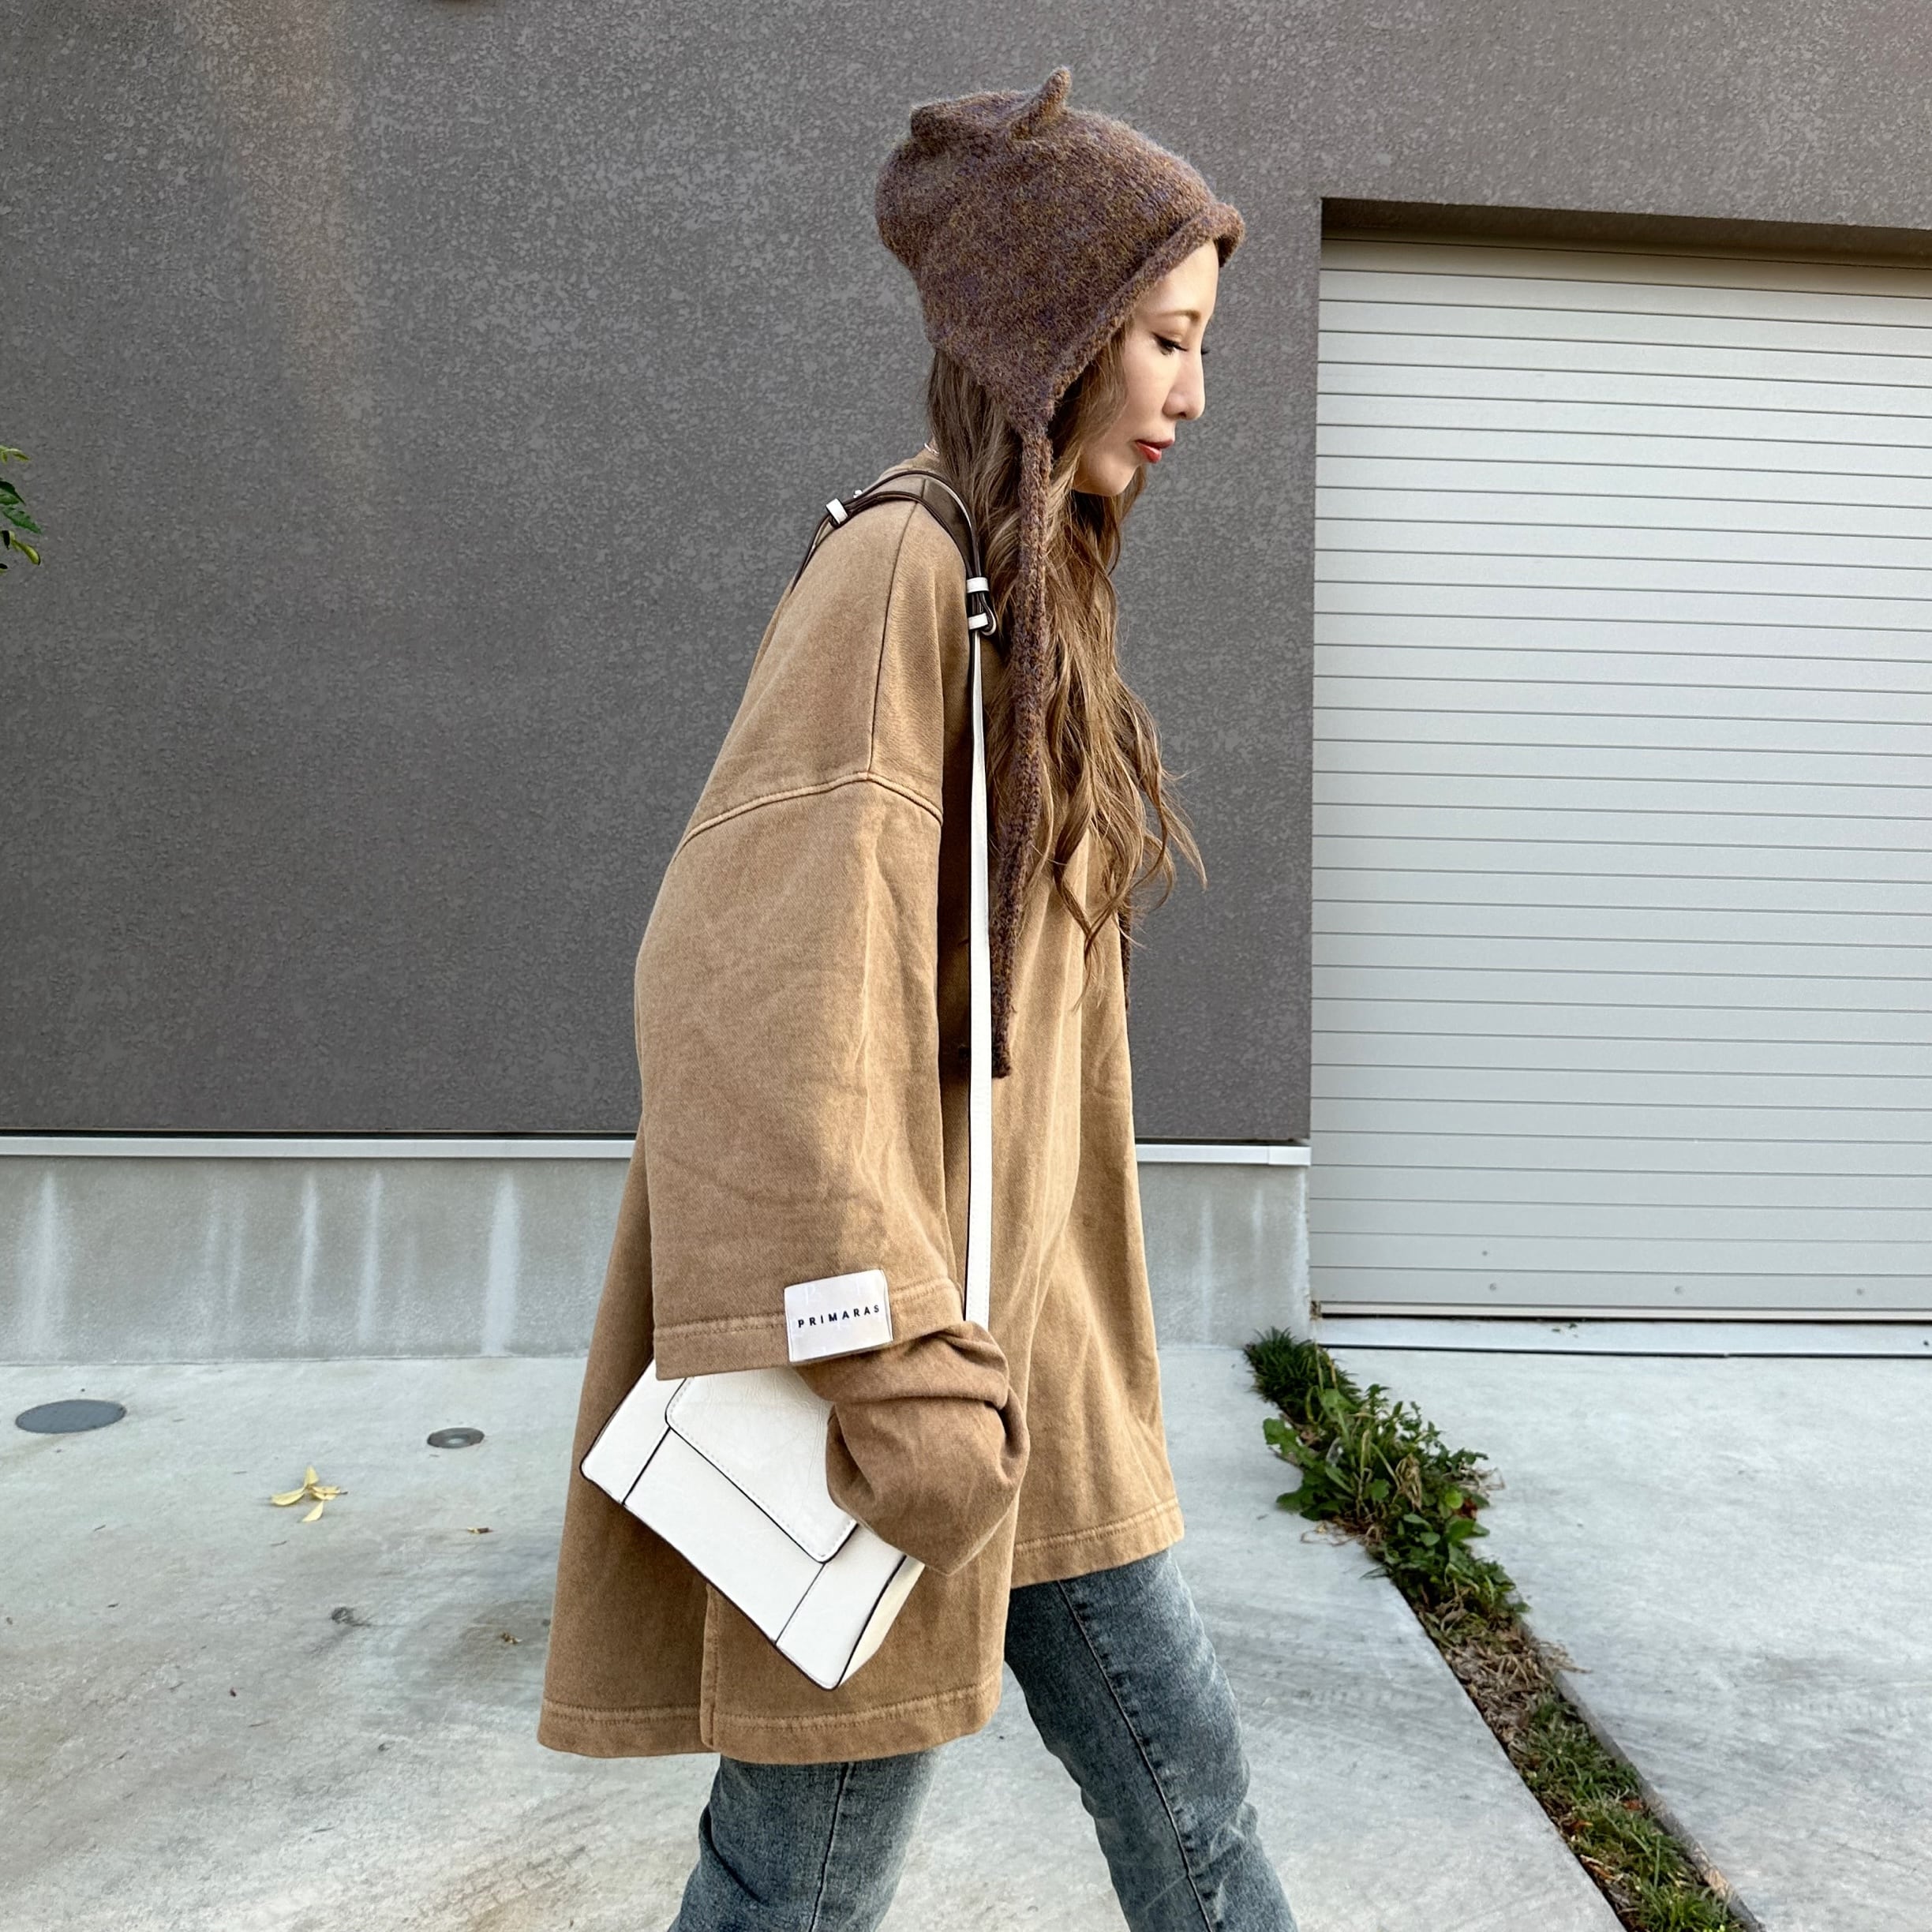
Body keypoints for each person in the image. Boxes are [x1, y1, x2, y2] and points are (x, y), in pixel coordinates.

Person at [538, 65, 1297, 1932]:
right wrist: (883, 1360)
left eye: (1200, 345)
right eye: (1167, 341)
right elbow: (747, 990)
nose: (1195, 394)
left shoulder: (1034, 590)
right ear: (1057, 335)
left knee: (1190, 1800)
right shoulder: (907, 573)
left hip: (1038, 1358)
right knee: (798, 1878)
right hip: (917, 1383)